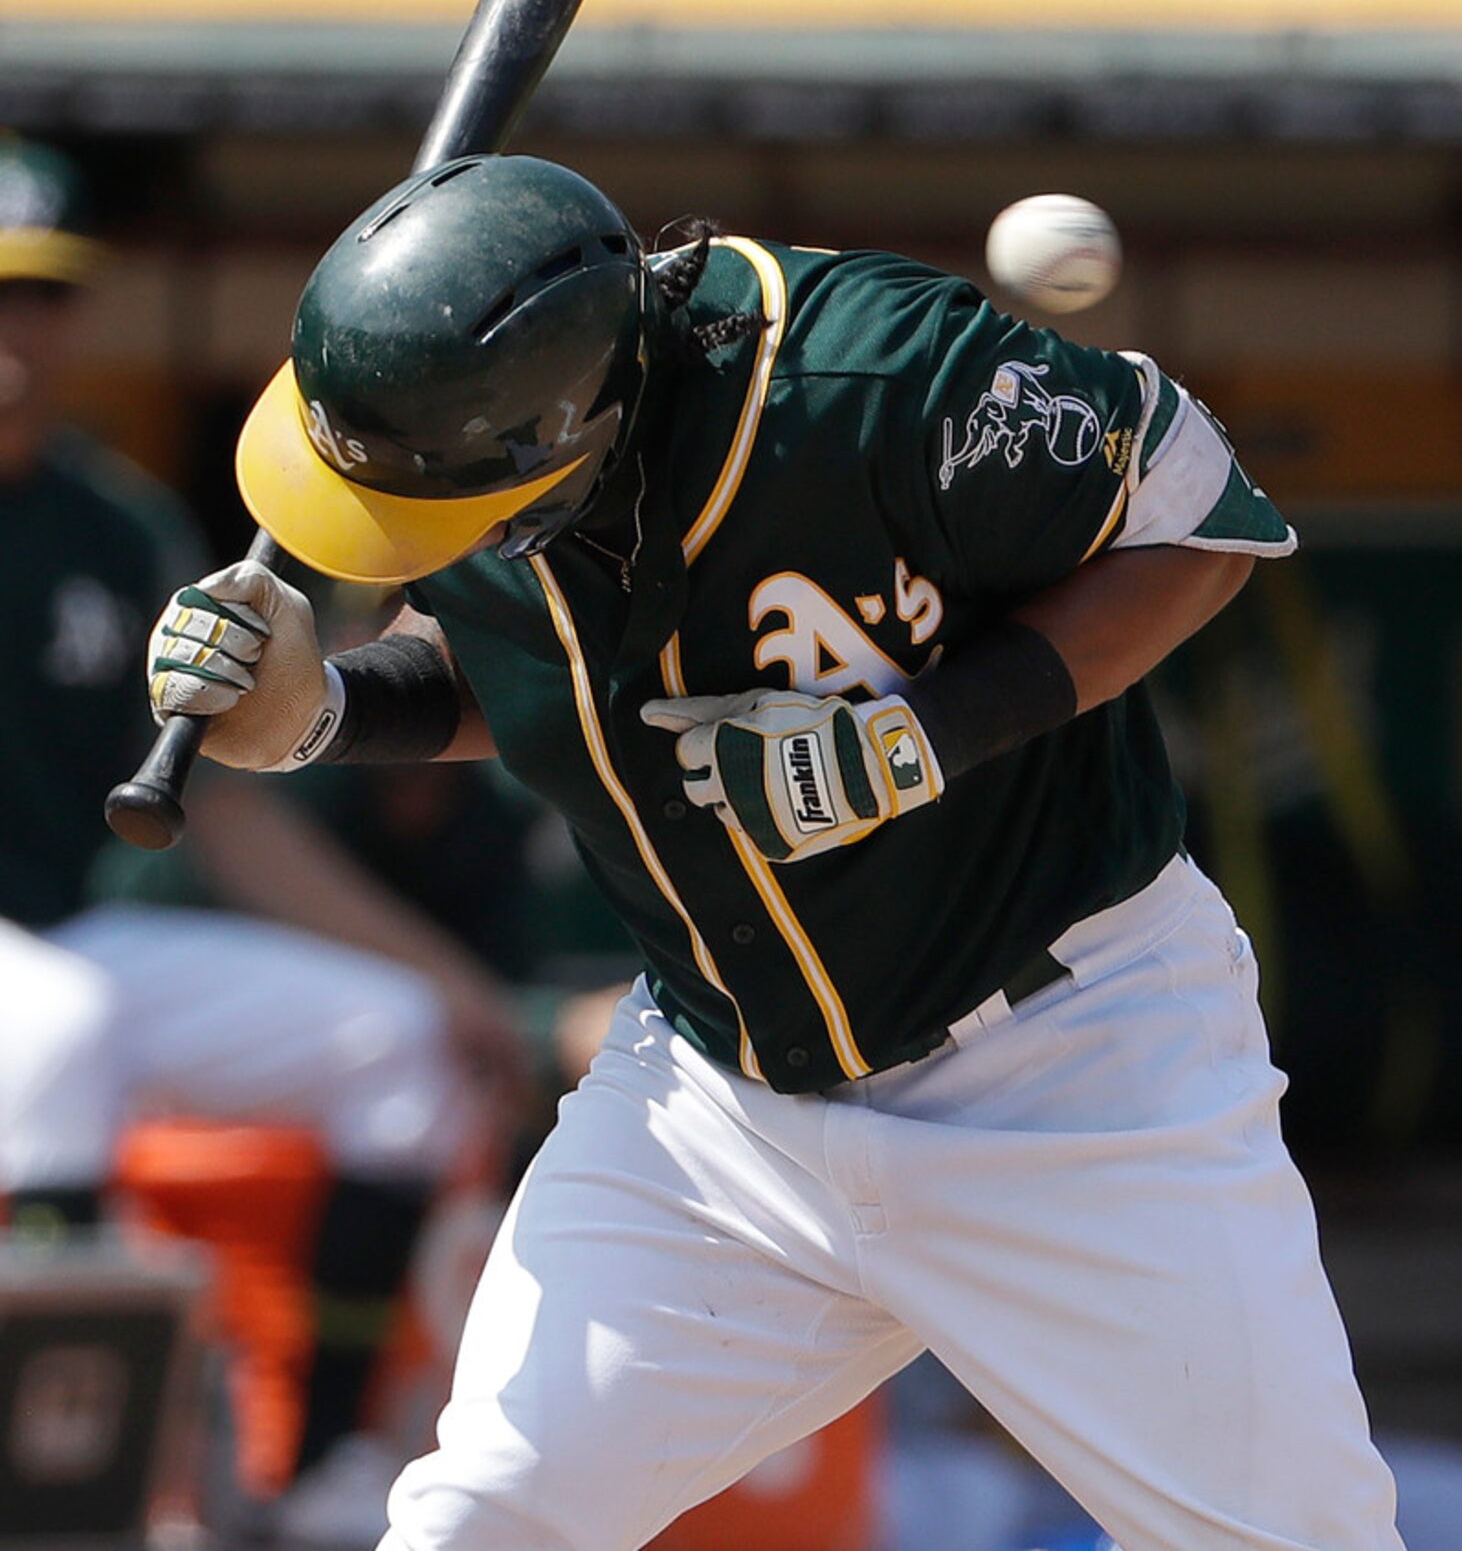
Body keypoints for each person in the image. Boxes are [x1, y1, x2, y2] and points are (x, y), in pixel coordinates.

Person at [147, 153, 1405, 1551]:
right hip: (713, 1102)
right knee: (482, 1518)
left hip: (1069, 1068)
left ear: (578, 427)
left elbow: (1201, 513)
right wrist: (324, 710)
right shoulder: (479, 442)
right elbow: (526, 661)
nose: (421, 547)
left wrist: (916, 736)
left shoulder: (874, 377)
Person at [0, 136, 528, 1546]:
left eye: (37, 294)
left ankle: (320, 1475)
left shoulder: (106, 527)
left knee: (399, 1042)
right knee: (52, 1028)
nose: (14, 331)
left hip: (59, 930)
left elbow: (220, 802)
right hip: (35, 985)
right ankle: (64, 1492)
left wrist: (449, 977)